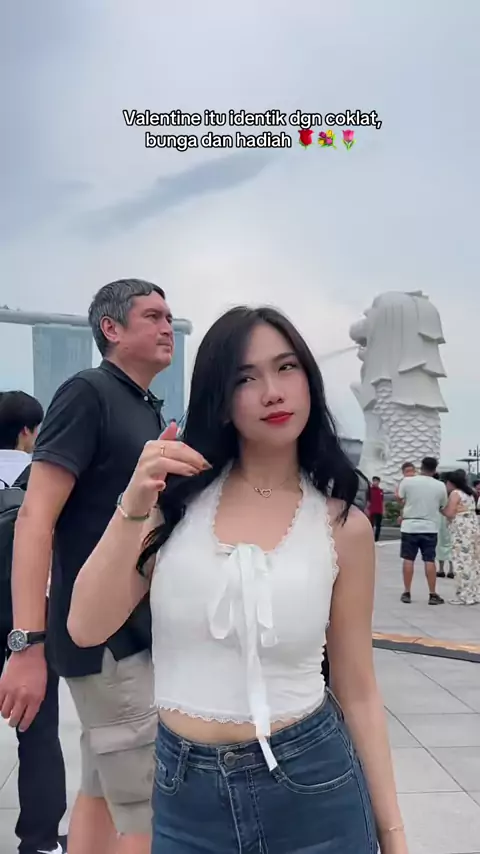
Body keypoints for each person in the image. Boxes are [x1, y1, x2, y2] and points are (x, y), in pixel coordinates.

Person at [67, 306, 408, 854]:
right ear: (220, 399)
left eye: (286, 367)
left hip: (313, 786)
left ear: (309, 380)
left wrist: (392, 832)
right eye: (246, 378)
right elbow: (86, 627)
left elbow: (358, 688)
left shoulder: (343, 527)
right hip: (185, 796)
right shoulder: (174, 505)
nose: (272, 392)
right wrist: (132, 504)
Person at [0, 279, 173, 854]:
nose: (167, 327)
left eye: (169, 317)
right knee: (147, 811)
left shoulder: (143, 406)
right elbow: (35, 518)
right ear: (111, 329)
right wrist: (27, 645)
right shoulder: (88, 393)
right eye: (152, 316)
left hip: (132, 629)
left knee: (100, 791)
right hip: (106, 640)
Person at [0, 391, 67, 854]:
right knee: (38, 733)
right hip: (30, 621)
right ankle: (40, 842)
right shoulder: (44, 482)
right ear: (28, 432)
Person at [397, 456, 446, 605]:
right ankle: (432, 593)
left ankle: (407, 592)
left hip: (410, 525)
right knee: (429, 560)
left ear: (421, 467)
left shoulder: (407, 481)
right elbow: (442, 505)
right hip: (430, 526)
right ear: (435, 469)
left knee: (408, 559)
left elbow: (400, 498)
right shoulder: (440, 485)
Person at [443, 470, 480, 606]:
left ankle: (464, 595)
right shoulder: (470, 493)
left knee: (461, 561)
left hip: (461, 530)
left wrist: (441, 509)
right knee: (473, 561)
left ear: (451, 482)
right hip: (472, 528)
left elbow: (450, 513)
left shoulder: (455, 494)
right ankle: (474, 593)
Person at [434, 474, 454, 579]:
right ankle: (448, 569)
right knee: (448, 544)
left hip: (444, 519)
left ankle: (445, 569)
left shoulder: (451, 494)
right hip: (447, 520)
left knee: (443, 544)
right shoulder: (454, 494)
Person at [368, 476, 384, 542]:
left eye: (377, 481)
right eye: (374, 481)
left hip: (379, 510)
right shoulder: (370, 490)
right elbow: (367, 500)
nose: (375, 482)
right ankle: (370, 538)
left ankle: (376, 539)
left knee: (378, 525)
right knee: (371, 525)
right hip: (372, 510)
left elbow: (382, 501)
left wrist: (383, 509)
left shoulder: (381, 491)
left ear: (379, 482)